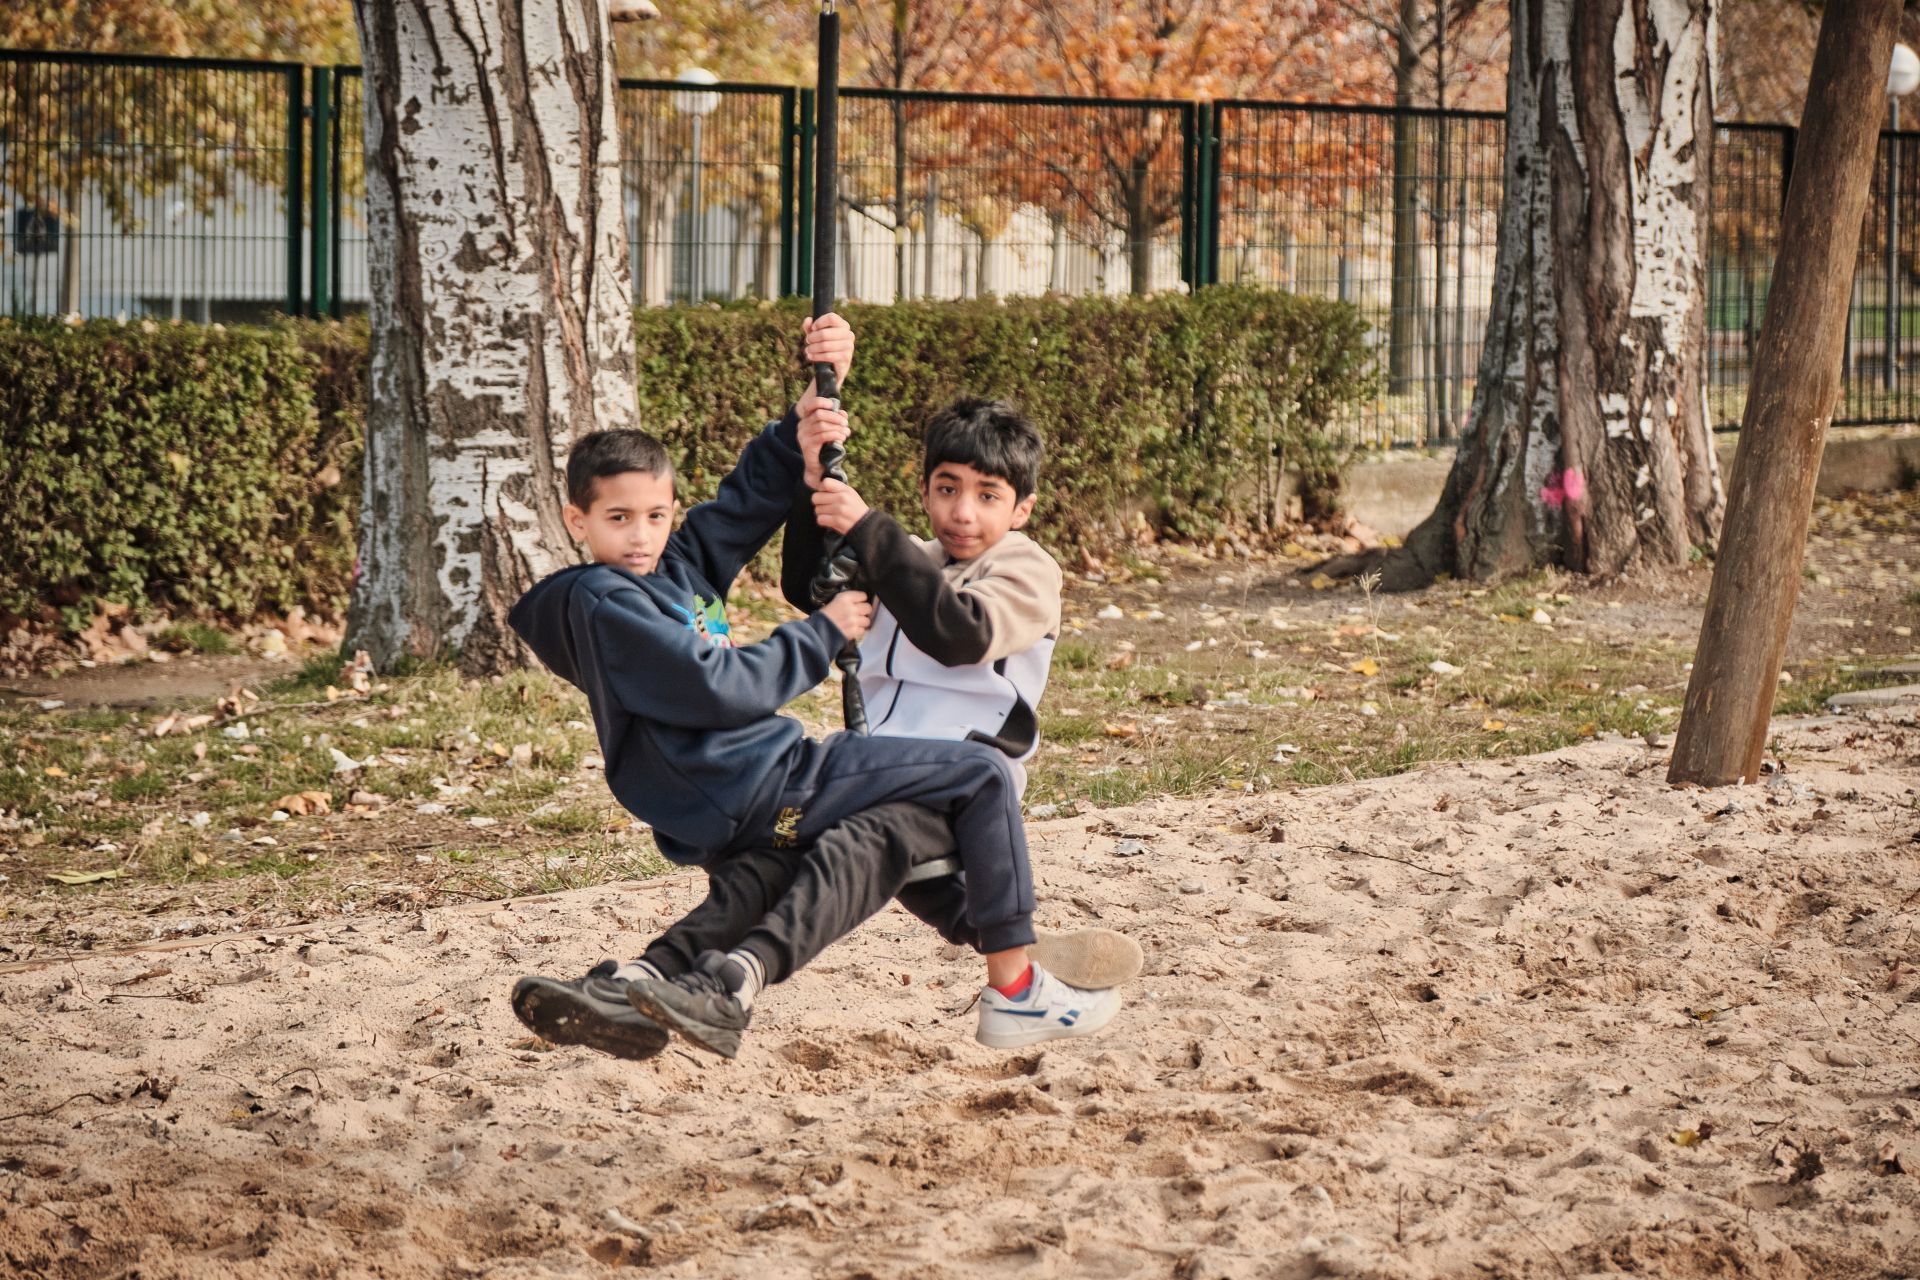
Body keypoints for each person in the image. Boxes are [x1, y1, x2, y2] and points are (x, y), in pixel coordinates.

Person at [506, 316, 1121, 1060]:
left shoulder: (1022, 568)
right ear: (578, 520)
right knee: (890, 830)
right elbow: (805, 594)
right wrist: (837, 546)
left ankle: (660, 980)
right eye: (947, 489)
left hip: (869, 781)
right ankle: (1010, 967)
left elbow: (946, 621)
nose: (963, 511)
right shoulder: (614, 602)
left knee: (790, 870)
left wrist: (811, 422)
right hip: (801, 772)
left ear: (1020, 509)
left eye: (987, 495)